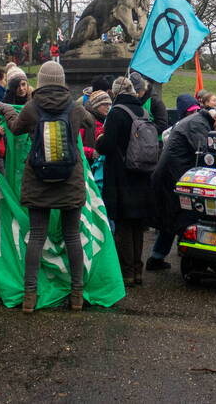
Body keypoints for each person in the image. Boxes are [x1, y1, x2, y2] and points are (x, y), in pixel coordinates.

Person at [0, 61, 91, 311]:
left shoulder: (31, 107)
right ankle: (77, 295)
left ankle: (30, 297)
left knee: (37, 237)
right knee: (72, 236)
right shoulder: (74, 107)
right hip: (70, 180)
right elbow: (91, 125)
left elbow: (16, 129)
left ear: (40, 81)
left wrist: (8, 110)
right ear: (62, 81)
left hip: (38, 179)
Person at [97, 76, 156, 286]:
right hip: (142, 174)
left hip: (121, 176)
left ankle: (127, 273)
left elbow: (108, 145)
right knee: (137, 226)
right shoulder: (143, 111)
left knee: (123, 225)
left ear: (115, 93)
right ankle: (138, 271)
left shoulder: (117, 113)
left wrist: (99, 140)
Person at [147, 105, 216, 271]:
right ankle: (194, 261)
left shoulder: (196, 120)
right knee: (185, 218)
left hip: (171, 175)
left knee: (171, 219)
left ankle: (157, 257)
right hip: (173, 177)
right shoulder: (199, 125)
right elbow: (204, 154)